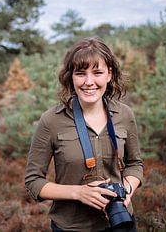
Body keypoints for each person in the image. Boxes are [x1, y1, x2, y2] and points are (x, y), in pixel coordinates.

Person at [25, 37, 143, 232]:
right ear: (71, 76)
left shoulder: (125, 115)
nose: (89, 82)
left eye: (97, 72)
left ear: (109, 75)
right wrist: (78, 193)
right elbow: (33, 182)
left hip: (121, 222)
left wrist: (126, 191)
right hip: (72, 227)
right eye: (81, 73)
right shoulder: (51, 121)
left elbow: (134, 164)